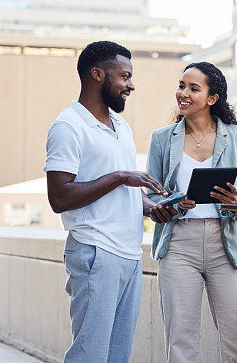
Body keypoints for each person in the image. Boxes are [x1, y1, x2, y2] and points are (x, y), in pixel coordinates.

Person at [44, 41, 176, 363]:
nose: (132, 85)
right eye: (125, 76)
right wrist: (119, 177)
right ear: (98, 74)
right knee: (90, 354)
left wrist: (150, 206)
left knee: (117, 356)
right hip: (94, 251)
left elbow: (127, 190)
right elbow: (59, 197)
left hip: (129, 253)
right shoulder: (68, 126)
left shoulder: (122, 127)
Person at [146, 61, 237, 363]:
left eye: (193, 88)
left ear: (212, 98)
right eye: (181, 86)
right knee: (181, 342)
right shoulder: (161, 138)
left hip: (227, 244)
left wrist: (234, 200)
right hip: (179, 244)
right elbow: (150, 197)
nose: (183, 93)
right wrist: (173, 203)